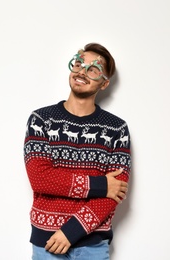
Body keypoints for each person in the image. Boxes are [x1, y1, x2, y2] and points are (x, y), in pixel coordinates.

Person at [23, 42, 131, 260]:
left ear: (104, 83)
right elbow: (40, 178)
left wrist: (71, 232)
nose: (82, 71)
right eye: (79, 64)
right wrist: (101, 185)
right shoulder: (41, 120)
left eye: (93, 69)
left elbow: (116, 191)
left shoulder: (117, 129)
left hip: (92, 246)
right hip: (46, 245)